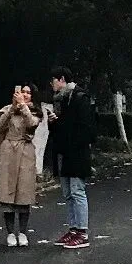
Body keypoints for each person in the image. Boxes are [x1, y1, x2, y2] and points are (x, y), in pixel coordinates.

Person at [48, 65, 96, 249]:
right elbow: (62, 127)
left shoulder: (79, 97)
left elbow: (85, 128)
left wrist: (62, 125)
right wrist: (55, 122)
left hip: (77, 153)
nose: (52, 84)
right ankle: (73, 228)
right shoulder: (61, 99)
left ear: (62, 79)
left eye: (53, 80)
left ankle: (82, 232)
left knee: (77, 191)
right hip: (64, 153)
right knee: (68, 193)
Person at [0, 84, 40, 248]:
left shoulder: (34, 111)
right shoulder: (7, 110)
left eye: (29, 93)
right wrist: (12, 109)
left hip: (25, 152)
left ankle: (22, 232)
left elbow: (32, 124)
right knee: (7, 192)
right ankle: (10, 233)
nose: (25, 95)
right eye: (22, 92)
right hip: (8, 151)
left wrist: (23, 107)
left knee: (24, 192)